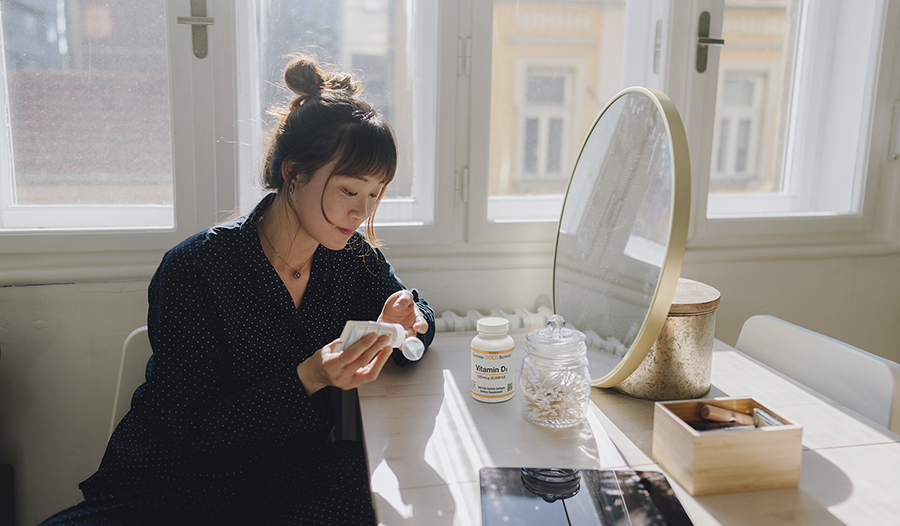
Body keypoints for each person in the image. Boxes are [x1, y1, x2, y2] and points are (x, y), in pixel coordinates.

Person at [41, 53, 435, 526]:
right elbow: (192, 438)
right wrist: (309, 376)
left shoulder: (351, 257)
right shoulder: (197, 268)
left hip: (284, 482)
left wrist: (407, 322)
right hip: (172, 486)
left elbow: (418, 315)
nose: (361, 213)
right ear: (294, 174)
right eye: (350, 191)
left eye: (375, 194)